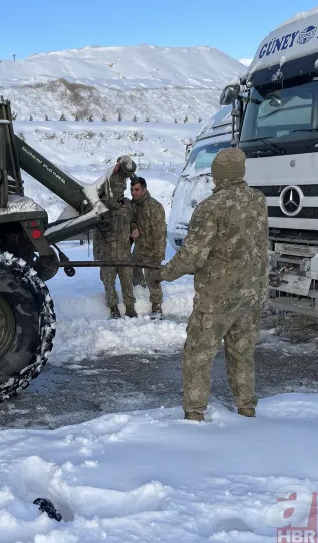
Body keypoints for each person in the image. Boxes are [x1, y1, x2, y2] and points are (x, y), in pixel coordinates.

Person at [146, 148, 268, 421]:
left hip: (217, 298)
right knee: (242, 354)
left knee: (198, 355)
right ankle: (246, 408)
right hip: (251, 295)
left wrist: (162, 274)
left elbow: (191, 257)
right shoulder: (258, 200)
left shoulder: (210, 208)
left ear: (217, 175)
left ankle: (194, 414)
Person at [96, 156, 137, 318]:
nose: (121, 189)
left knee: (127, 281)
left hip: (125, 251)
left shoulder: (127, 204)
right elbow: (98, 223)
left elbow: (133, 220)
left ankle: (130, 307)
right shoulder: (101, 204)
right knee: (109, 282)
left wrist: (134, 229)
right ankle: (113, 307)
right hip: (107, 252)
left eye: (123, 186)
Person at [129, 177, 167, 317]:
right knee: (133, 269)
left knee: (152, 277)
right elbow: (132, 220)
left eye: (137, 189)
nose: (134, 192)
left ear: (144, 190)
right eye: (132, 190)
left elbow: (160, 233)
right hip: (139, 247)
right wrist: (134, 228)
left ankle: (157, 306)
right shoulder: (134, 205)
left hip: (152, 248)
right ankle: (141, 295)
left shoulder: (154, 207)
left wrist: (159, 255)